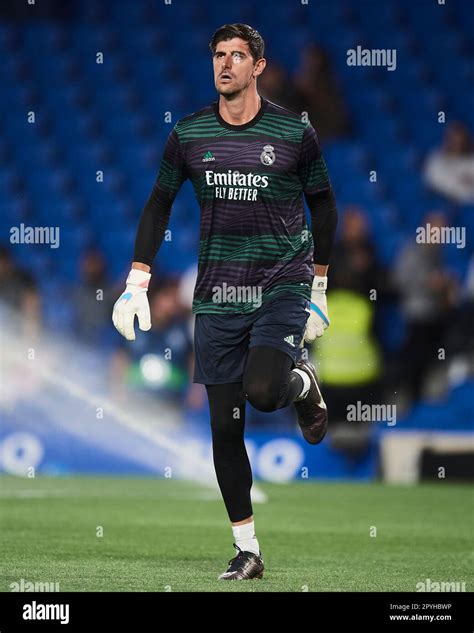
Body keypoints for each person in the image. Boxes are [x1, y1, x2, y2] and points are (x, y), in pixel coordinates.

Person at [112, 24, 338, 581]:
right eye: (219, 55)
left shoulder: (293, 131)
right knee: (222, 429)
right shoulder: (189, 134)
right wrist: (137, 279)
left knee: (262, 393)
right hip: (216, 297)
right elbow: (158, 203)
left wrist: (318, 284)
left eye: (238, 56)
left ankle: (298, 383)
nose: (227, 64)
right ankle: (248, 549)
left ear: (258, 66)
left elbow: (324, 206)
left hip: (280, 284)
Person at [424, 122, 474, 204]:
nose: (456, 144)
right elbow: (436, 185)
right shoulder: (436, 161)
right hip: (445, 204)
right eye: (453, 140)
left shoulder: (471, 160)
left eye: (460, 141)